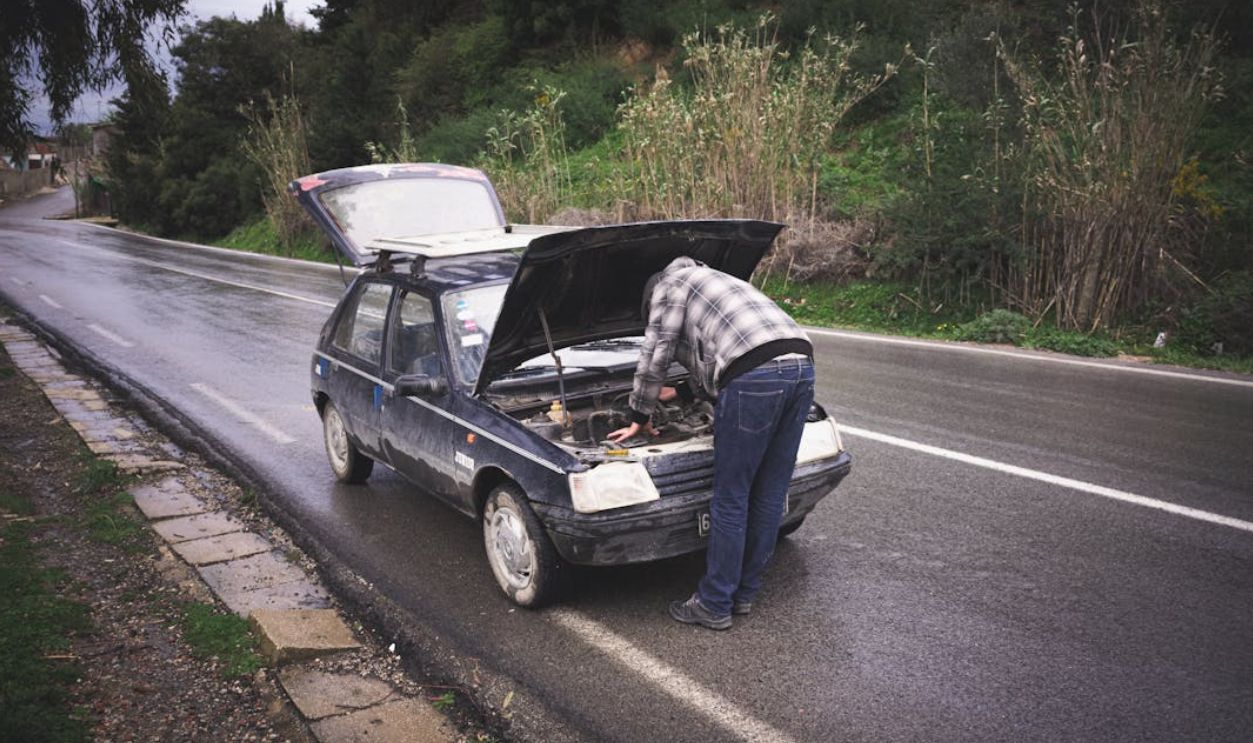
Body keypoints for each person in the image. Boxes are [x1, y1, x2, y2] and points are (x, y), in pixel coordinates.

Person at [608, 256, 815, 630]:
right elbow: (724, 351)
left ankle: (714, 603)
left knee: (731, 495)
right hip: (801, 364)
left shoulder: (670, 284)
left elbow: (658, 351)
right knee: (769, 491)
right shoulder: (720, 279)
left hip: (756, 377)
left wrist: (639, 414)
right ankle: (745, 593)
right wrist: (683, 390)